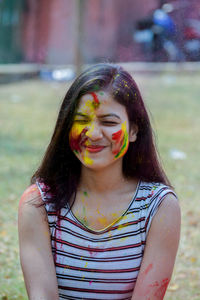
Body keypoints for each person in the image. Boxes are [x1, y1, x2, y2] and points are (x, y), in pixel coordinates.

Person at [18, 63, 181, 300]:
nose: (93, 133)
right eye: (81, 120)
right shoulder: (38, 204)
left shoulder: (159, 207)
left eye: (108, 122)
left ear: (134, 130)